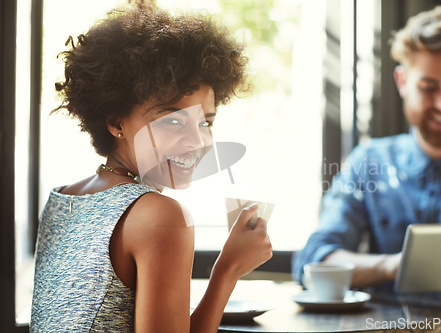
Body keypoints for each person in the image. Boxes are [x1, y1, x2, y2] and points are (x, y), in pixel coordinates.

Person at [30, 1, 273, 332]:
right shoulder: (161, 216)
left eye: (206, 123)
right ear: (117, 122)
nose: (198, 142)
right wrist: (228, 269)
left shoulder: (60, 201)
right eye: (173, 120)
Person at [293, 5, 441, 328]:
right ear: (402, 81)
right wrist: (392, 265)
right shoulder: (369, 163)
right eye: (428, 87)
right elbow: (314, 259)